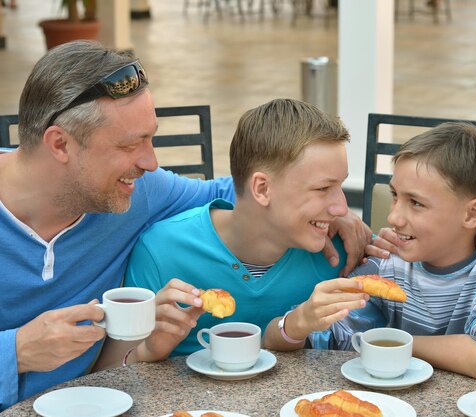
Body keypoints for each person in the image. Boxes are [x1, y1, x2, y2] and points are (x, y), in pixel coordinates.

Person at [0, 42, 368, 411]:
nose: (150, 161)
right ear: (60, 144)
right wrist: (18, 351)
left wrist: (327, 206)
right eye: (131, 144)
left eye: (151, 137)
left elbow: (237, 191)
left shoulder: (138, 190)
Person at [98, 98, 370, 366]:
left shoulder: (343, 251)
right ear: (262, 189)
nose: (341, 208)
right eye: (323, 189)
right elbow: (108, 375)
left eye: (340, 186)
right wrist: (149, 349)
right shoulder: (160, 251)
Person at [264, 122, 476, 384]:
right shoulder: (387, 262)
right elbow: (300, 338)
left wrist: (387, 343)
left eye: (416, 203)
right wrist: (298, 322)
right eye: (395, 195)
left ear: (472, 213)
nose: (394, 217)